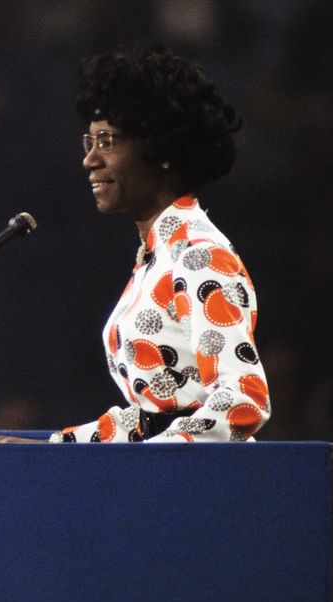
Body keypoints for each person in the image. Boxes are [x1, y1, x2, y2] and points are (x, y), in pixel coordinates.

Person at [52, 44, 270, 443]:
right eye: (91, 141)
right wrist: (50, 449)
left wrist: (148, 466)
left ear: (162, 150)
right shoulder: (158, 256)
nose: (90, 160)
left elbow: (244, 400)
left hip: (203, 490)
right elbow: (154, 419)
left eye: (108, 142)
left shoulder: (200, 256)